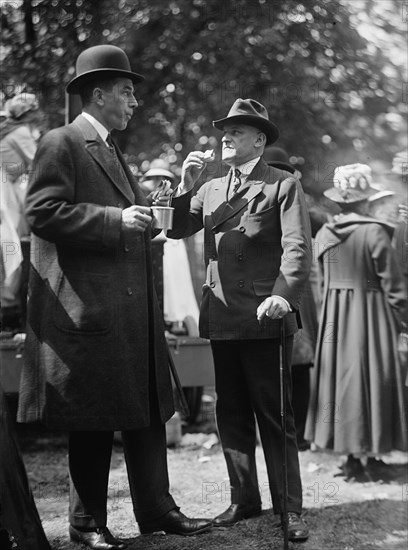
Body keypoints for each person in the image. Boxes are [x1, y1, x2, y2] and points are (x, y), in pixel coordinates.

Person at [16, 44, 212, 550]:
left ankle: (157, 510)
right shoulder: (61, 141)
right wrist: (113, 219)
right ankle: (85, 524)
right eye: (126, 92)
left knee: (146, 410)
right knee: (94, 418)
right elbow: (41, 212)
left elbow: (150, 224)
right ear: (98, 95)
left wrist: (184, 192)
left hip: (127, 312)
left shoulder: (108, 148)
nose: (133, 102)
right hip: (90, 310)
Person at [165, 98, 312, 542]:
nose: (225, 137)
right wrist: (185, 184)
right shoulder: (208, 188)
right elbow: (173, 229)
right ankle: (243, 499)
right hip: (223, 316)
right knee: (229, 415)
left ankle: (290, 510)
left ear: (259, 140)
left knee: (274, 416)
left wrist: (284, 297)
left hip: (266, 316)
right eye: (224, 131)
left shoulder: (282, 185)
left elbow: (297, 247)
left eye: (236, 131)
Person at [304, 163, 407, 481]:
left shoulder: (323, 233)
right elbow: (394, 286)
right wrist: (403, 319)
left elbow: (317, 280)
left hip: (335, 317)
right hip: (372, 315)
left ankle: (350, 455)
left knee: (340, 381)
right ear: (366, 200)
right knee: (374, 378)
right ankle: (372, 454)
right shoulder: (375, 231)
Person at [263, 146, 319, 451]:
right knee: (270, 368)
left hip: (295, 292)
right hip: (263, 291)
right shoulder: (254, 196)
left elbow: (318, 222)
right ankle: (277, 432)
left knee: (299, 361)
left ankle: (298, 435)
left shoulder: (298, 200)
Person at [0, 93, 45, 329]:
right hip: (4, 193)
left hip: (10, 189)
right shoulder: (21, 133)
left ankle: (9, 307)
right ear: (30, 113)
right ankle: (8, 310)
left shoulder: (13, 131)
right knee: (11, 250)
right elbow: (41, 163)